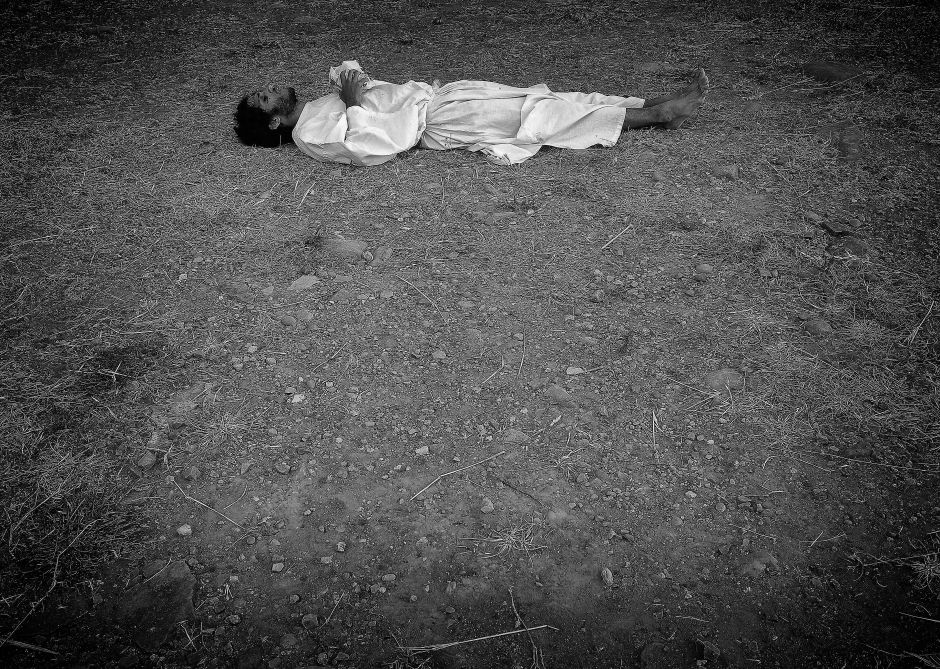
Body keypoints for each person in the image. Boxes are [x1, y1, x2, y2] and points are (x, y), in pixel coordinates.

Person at [234, 60, 708, 166]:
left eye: (264, 89)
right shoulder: (309, 136)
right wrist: (355, 99)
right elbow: (366, 148)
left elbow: (362, 90)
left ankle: (647, 105)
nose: (271, 89)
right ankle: (658, 116)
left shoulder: (316, 104)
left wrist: (348, 81)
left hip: (442, 97)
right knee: (540, 115)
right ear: (274, 121)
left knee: (545, 96)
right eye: (264, 98)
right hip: (439, 122)